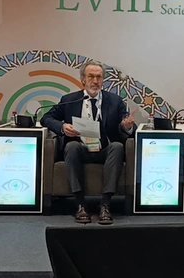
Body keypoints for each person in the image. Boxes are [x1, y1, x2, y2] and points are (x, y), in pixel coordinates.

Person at [41, 61, 135, 225]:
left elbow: (126, 125)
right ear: (83, 79)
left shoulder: (115, 101)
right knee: (71, 146)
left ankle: (105, 204)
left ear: (103, 80)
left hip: (105, 150)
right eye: (91, 76)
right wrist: (62, 127)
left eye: (99, 77)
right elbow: (46, 118)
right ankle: (80, 204)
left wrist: (127, 126)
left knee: (117, 146)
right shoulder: (69, 100)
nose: (95, 81)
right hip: (81, 150)